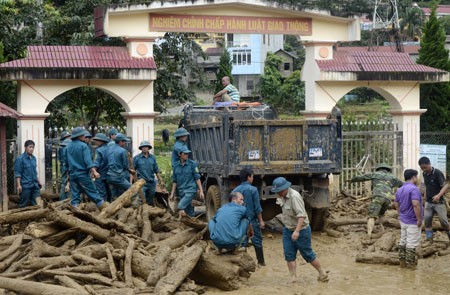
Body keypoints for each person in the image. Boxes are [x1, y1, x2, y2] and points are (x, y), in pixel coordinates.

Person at [272, 177, 328, 283]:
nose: (277, 193)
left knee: (308, 254)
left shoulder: (294, 197)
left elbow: (301, 216)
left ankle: (322, 273)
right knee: (289, 254)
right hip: (288, 229)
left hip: (301, 230)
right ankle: (293, 277)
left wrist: (297, 231)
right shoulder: (282, 196)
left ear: (284, 189)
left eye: (278, 191)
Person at [349, 163, 403, 237]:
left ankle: (369, 235)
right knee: (381, 214)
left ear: (379, 169)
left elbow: (363, 177)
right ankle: (382, 229)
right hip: (388, 199)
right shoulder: (393, 177)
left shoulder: (375, 174)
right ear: (388, 170)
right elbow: (402, 184)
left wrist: (352, 180)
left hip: (377, 197)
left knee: (372, 216)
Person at [65, 127, 107, 209]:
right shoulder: (83, 146)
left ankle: (75, 214)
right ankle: (106, 211)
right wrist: (94, 172)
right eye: (83, 134)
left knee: (75, 196)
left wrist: (68, 178)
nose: (84, 136)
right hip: (82, 175)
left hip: (73, 175)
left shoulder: (67, 147)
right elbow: (88, 161)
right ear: (79, 136)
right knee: (94, 194)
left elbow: (66, 163)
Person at [232, 168, 266, 266]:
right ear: (248, 177)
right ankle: (261, 262)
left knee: (241, 241)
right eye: (252, 176)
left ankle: (242, 263)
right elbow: (257, 208)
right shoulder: (253, 190)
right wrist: (261, 221)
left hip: (240, 221)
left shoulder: (235, 191)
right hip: (252, 220)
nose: (253, 178)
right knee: (257, 241)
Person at [394, 169, 423, 270]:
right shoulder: (414, 189)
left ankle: (402, 263)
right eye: (417, 177)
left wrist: (400, 213)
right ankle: (411, 266)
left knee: (403, 240)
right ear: (414, 177)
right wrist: (419, 219)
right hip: (412, 221)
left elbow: (396, 203)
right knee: (411, 242)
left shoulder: (400, 189)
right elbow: (416, 204)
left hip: (403, 220)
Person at [418, 156, 450, 242]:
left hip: (439, 202)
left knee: (444, 222)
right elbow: (426, 184)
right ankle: (429, 239)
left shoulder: (437, 173)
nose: (424, 169)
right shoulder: (424, 174)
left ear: (429, 164)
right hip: (428, 202)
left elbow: (446, 185)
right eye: (422, 168)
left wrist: (438, 195)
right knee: (427, 221)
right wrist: (425, 193)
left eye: (425, 167)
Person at [169, 147, 204, 217]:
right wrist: (172, 193)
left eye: (187, 154)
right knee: (189, 211)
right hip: (181, 191)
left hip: (190, 190)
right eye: (185, 154)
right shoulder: (175, 166)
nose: (187, 155)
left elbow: (197, 178)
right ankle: (193, 223)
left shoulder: (192, 164)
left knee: (180, 206)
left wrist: (201, 191)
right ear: (180, 154)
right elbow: (174, 181)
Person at [133, 140, 166, 205]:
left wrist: (161, 180)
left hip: (151, 183)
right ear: (141, 148)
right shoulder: (137, 158)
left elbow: (156, 170)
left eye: (146, 147)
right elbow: (132, 171)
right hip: (142, 183)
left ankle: (148, 213)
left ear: (148, 148)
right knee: (141, 200)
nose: (145, 148)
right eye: (143, 147)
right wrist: (131, 182)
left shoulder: (152, 158)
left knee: (150, 201)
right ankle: (140, 213)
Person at [14, 140, 43, 208]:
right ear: (25, 147)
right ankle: (20, 217)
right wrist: (18, 185)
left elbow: (34, 172)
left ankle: (37, 218)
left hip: (35, 185)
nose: (31, 149)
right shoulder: (20, 159)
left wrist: (38, 181)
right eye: (30, 147)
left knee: (37, 203)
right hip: (25, 186)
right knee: (23, 205)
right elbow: (18, 173)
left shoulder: (33, 158)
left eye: (33, 147)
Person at [107, 133, 131, 200]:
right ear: (120, 142)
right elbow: (125, 165)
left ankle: (113, 208)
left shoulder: (109, 149)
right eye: (124, 142)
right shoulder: (122, 151)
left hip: (109, 176)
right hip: (118, 176)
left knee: (114, 195)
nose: (125, 144)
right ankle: (135, 206)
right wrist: (130, 170)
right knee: (132, 189)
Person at [92, 133, 111, 202]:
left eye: (97, 140)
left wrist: (94, 171)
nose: (95, 142)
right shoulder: (110, 149)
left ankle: (103, 206)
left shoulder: (99, 150)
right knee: (109, 192)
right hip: (109, 173)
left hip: (101, 173)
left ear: (101, 141)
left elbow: (97, 162)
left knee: (101, 193)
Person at [58, 131, 71, 200]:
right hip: (67, 168)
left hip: (65, 167)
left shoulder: (61, 147)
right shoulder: (64, 147)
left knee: (65, 184)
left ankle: (63, 201)